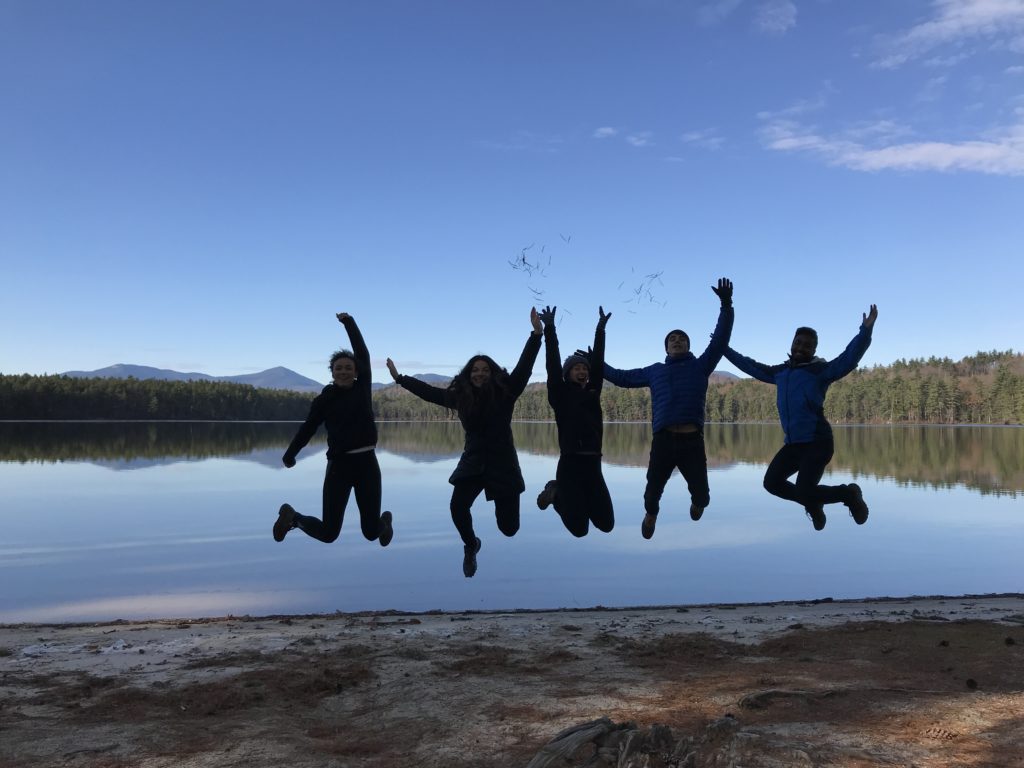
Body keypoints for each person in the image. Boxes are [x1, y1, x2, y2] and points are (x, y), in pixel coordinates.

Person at [386, 308, 542, 577]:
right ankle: (472, 545)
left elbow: (525, 366)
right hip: (473, 462)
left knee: (509, 529)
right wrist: (401, 379)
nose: (479, 374)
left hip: (502, 465)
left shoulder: (507, 392)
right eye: (475, 370)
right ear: (468, 374)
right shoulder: (460, 397)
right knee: (457, 507)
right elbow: (430, 393)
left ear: (492, 373)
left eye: (484, 370)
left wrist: (537, 335)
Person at [723, 305, 878, 531]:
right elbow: (750, 366)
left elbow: (847, 359)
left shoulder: (820, 372)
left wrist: (865, 332)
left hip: (817, 442)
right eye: (798, 342)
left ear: (813, 349)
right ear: (791, 344)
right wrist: (724, 350)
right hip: (794, 445)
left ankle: (849, 494)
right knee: (772, 483)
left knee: (804, 489)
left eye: (807, 345)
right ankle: (813, 502)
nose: (801, 347)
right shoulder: (781, 372)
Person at [603, 278, 734, 540]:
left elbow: (720, 340)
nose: (677, 341)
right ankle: (651, 515)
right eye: (672, 339)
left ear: (688, 346)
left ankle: (697, 504)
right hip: (663, 441)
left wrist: (726, 304)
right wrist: (595, 362)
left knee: (703, 497)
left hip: (691, 442)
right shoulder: (655, 371)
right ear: (666, 347)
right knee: (652, 493)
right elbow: (621, 377)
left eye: (682, 339)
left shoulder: (701, 366)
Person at [274, 313, 394, 549]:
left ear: (356, 372)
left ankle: (385, 524)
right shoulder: (324, 400)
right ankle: (293, 518)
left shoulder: (362, 388)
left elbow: (363, 354)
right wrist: (291, 454)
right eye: (338, 368)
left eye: (348, 368)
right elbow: (308, 428)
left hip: (367, 465)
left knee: (371, 532)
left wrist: (349, 323)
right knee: (329, 533)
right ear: (332, 371)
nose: (343, 371)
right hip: (339, 466)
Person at [535, 305, 614, 537]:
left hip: (593, 465)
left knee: (606, 524)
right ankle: (557, 493)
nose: (582, 371)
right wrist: (549, 328)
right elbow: (552, 362)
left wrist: (600, 330)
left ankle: (575, 500)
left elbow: (598, 362)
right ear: (567, 373)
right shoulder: (559, 393)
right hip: (569, 464)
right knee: (579, 530)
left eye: (584, 368)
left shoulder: (593, 391)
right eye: (576, 368)